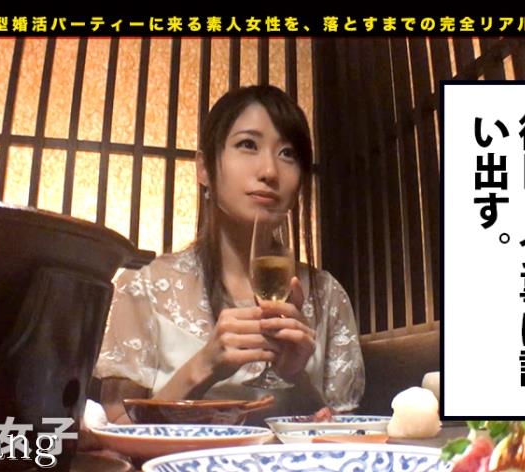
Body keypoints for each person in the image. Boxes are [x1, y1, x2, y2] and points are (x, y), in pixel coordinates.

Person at [93, 85, 364, 424]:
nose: (269, 171)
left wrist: (296, 376)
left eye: (288, 153)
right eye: (247, 144)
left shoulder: (327, 295)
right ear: (204, 168)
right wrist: (203, 366)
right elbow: (118, 427)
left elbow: (344, 433)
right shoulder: (144, 286)